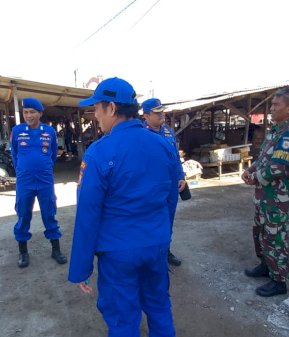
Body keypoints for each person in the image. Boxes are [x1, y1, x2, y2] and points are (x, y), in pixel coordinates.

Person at [69, 78, 179, 336]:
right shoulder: (163, 145)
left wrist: (82, 267)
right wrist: (163, 235)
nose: (95, 115)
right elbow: (170, 198)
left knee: (123, 319)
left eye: (96, 108)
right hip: (156, 244)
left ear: (111, 108)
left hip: (119, 252)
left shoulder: (99, 152)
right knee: (159, 306)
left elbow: (88, 214)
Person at [241, 88, 289, 297]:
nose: (272, 108)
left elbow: (277, 167)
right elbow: (264, 158)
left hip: (277, 196)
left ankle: (279, 280)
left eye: (276, 105)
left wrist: (255, 177)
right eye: (272, 104)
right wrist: (251, 168)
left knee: (275, 237)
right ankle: (265, 265)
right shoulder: (275, 131)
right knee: (260, 232)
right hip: (264, 194)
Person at [10, 97, 67, 268]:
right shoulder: (17, 130)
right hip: (24, 181)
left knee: (49, 213)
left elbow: (53, 153)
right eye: (26, 112)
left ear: (40, 113)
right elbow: (14, 154)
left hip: (45, 180)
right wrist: (22, 170)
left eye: (32, 112)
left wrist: (44, 168)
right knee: (23, 214)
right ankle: (23, 252)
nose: (28, 115)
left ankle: (55, 250)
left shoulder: (49, 131)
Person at [142, 97, 187, 267]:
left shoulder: (168, 131)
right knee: (150, 220)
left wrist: (181, 175)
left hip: (170, 186)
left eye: (163, 111)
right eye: (157, 112)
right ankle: (150, 254)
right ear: (146, 115)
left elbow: (175, 157)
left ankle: (165, 251)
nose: (162, 114)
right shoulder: (140, 133)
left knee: (168, 219)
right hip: (150, 187)